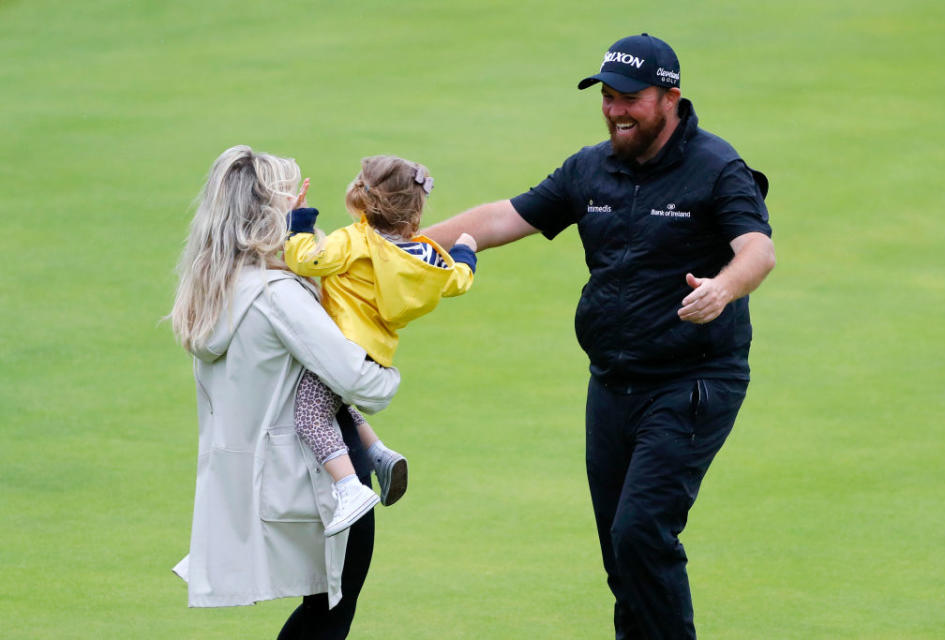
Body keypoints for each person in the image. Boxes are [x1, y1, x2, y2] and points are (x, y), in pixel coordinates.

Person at [424, 34, 776, 639]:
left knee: (641, 530)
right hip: (612, 383)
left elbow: (758, 251)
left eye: (630, 100)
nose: (615, 110)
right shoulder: (592, 168)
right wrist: (390, 251)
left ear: (671, 97)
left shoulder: (717, 168)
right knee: (622, 551)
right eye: (608, 97)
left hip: (691, 380)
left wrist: (723, 288)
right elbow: (501, 218)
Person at [169, 145, 400, 639]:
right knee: (331, 613)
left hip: (270, 486)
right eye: (291, 198)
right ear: (271, 211)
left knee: (323, 610)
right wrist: (389, 371)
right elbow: (361, 382)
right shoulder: (279, 297)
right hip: (324, 482)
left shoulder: (215, 291)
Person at [283, 155, 478, 537]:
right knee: (335, 403)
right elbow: (458, 280)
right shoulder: (424, 257)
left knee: (308, 415)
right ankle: (379, 453)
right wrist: (466, 250)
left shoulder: (351, 241)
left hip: (339, 348)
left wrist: (300, 220)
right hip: (373, 356)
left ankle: (348, 487)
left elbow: (303, 260)